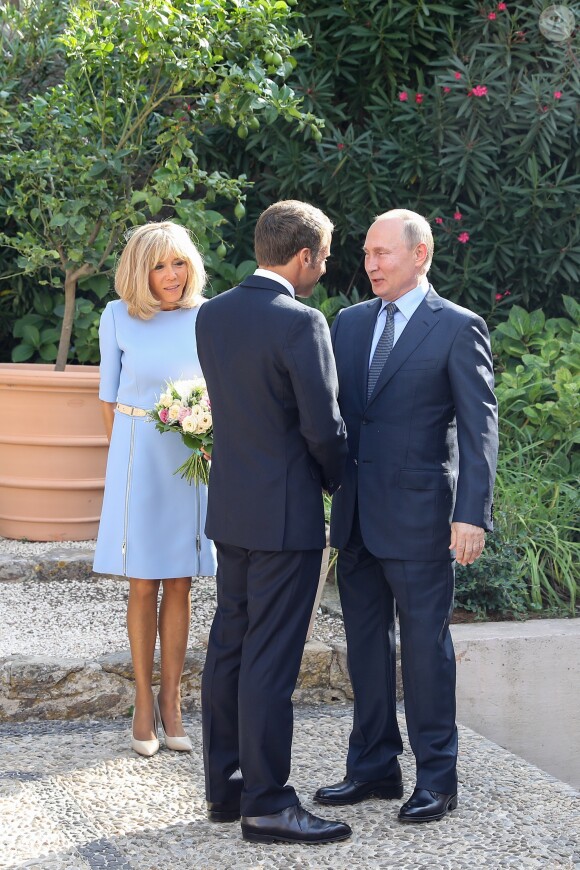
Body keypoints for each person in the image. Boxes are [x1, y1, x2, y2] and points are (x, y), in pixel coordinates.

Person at [315, 209, 498, 822]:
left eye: (382, 253)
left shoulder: (457, 328)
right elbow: (336, 417)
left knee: (425, 651)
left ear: (421, 255)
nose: (370, 265)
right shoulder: (349, 322)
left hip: (422, 521)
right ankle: (372, 769)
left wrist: (470, 515)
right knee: (365, 646)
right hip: (357, 516)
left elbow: (480, 432)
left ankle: (437, 780)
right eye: (366, 254)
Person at [195, 200, 351, 845]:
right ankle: (267, 802)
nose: (326, 266)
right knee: (270, 658)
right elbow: (324, 426)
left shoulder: (214, 314)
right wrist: (339, 479)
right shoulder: (301, 321)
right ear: (304, 256)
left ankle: (226, 787)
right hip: (284, 516)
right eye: (326, 255)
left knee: (230, 645)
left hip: (229, 508)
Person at [94, 221, 217, 758]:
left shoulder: (208, 316)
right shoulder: (117, 315)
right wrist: (124, 459)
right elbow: (106, 396)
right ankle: (142, 701)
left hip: (190, 458)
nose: (171, 275)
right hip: (137, 455)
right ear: (139, 271)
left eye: (180, 263)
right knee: (142, 582)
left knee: (182, 581)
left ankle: (173, 702)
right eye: (159, 265)